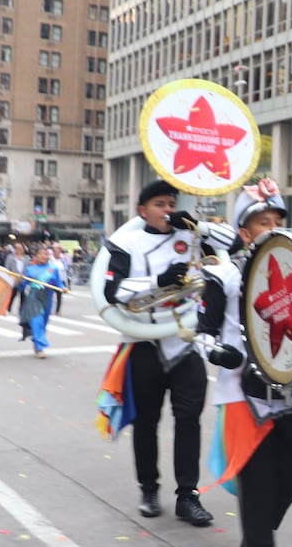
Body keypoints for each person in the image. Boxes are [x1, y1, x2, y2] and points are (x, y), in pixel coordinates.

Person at [197, 178, 292, 547]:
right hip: (244, 396)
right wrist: (219, 353)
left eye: (278, 221)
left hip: (290, 391)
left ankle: (255, 538)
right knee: (259, 488)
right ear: (245, 232)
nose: (273, 228)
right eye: (264, 222)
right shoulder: (222, 276)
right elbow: (201, 334)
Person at [98, 179, 236, 526]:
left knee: (189, 420)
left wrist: (198, 225)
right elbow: (113, 290)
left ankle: (187, 496)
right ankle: (149, 488)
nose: (168, 210)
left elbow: (234, 245)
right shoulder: (126, 241)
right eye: (160, 204)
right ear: (143, 210)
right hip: (145, 343)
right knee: (147, 422)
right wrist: (159, 281)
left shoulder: (189, 235)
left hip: (185, 341)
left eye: (171, 203)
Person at [19, 246, 65, 358]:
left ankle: (37, 342)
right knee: (37, 321)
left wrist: (62, 288)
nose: (43, 256)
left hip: (47, 298)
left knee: (43, 323)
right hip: (34, 298)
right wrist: (21, 280)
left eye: (45, 254)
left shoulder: (53, 269)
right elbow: (22, 286)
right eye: (40, 254)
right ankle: (40, 348)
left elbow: (58, 283)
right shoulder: (30, 269)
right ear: (36, 256)